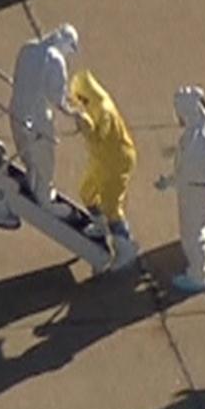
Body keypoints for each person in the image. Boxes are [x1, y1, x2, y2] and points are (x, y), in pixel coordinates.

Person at [155, 86, 205, 293]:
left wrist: (169, 182)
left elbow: (188, 174)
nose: (177, 116)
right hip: (204, 189)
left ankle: (199, 275)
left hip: (194, 191)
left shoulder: (199, 138)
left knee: (193, 233)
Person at [70, 68, 139, 270]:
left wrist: (85, 126)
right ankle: (101, 227)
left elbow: (99, 138)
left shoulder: (104, 110)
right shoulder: (95, 106)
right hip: (102, 159)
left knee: (111, 205)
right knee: (87, 191)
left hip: (118, 161)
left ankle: (125, 247)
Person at [9, 24, 80, 216]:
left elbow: (16, 78)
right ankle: (45, 200)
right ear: (66, 44)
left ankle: (32, 182)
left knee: (29, 155)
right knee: (45, 158)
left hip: (16, 110)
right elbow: (57, 97)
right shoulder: (55, 60)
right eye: (71, 49)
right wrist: (74, 113)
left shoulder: (27, 48)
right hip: (37, 118)